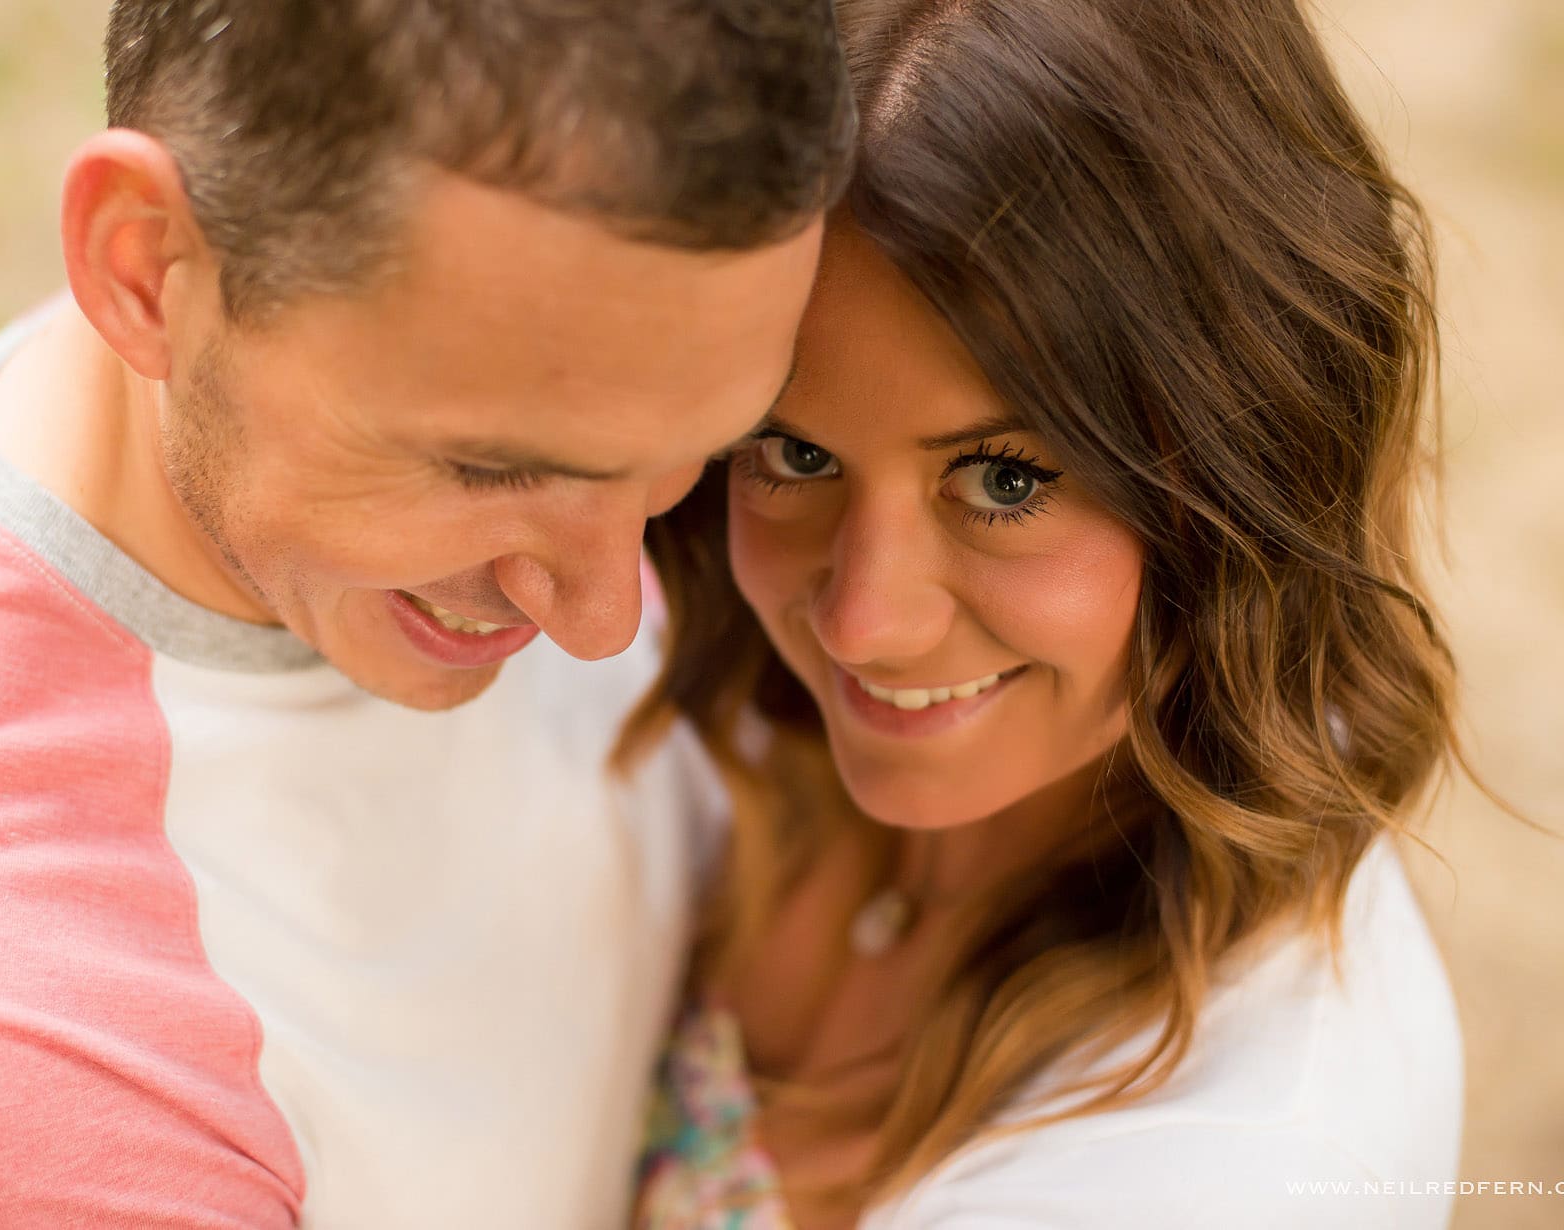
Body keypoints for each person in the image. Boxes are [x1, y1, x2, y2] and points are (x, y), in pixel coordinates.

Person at [0, 3, 853, 1226]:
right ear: (143, 268)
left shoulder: (529, 341)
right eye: (492, 469)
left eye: (708, 451)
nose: (609, 619)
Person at [626, 0, 1465, 1226]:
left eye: (1005, 481)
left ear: (1252, 468)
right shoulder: (710, 699)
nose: (862, 623)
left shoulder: (1225, 1161)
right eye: (790, 452)